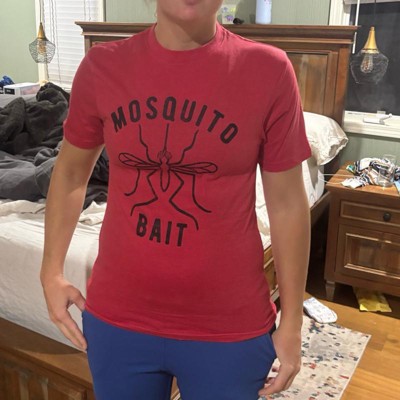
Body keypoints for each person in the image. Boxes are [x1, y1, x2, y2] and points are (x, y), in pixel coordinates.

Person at [40, 1, 311, 399]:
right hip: (118, 321)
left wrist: (292, 321)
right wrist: (50, 271)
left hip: (229, 328)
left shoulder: (269, 70)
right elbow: (69, 174)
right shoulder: (102, 66)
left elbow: (287, 204)